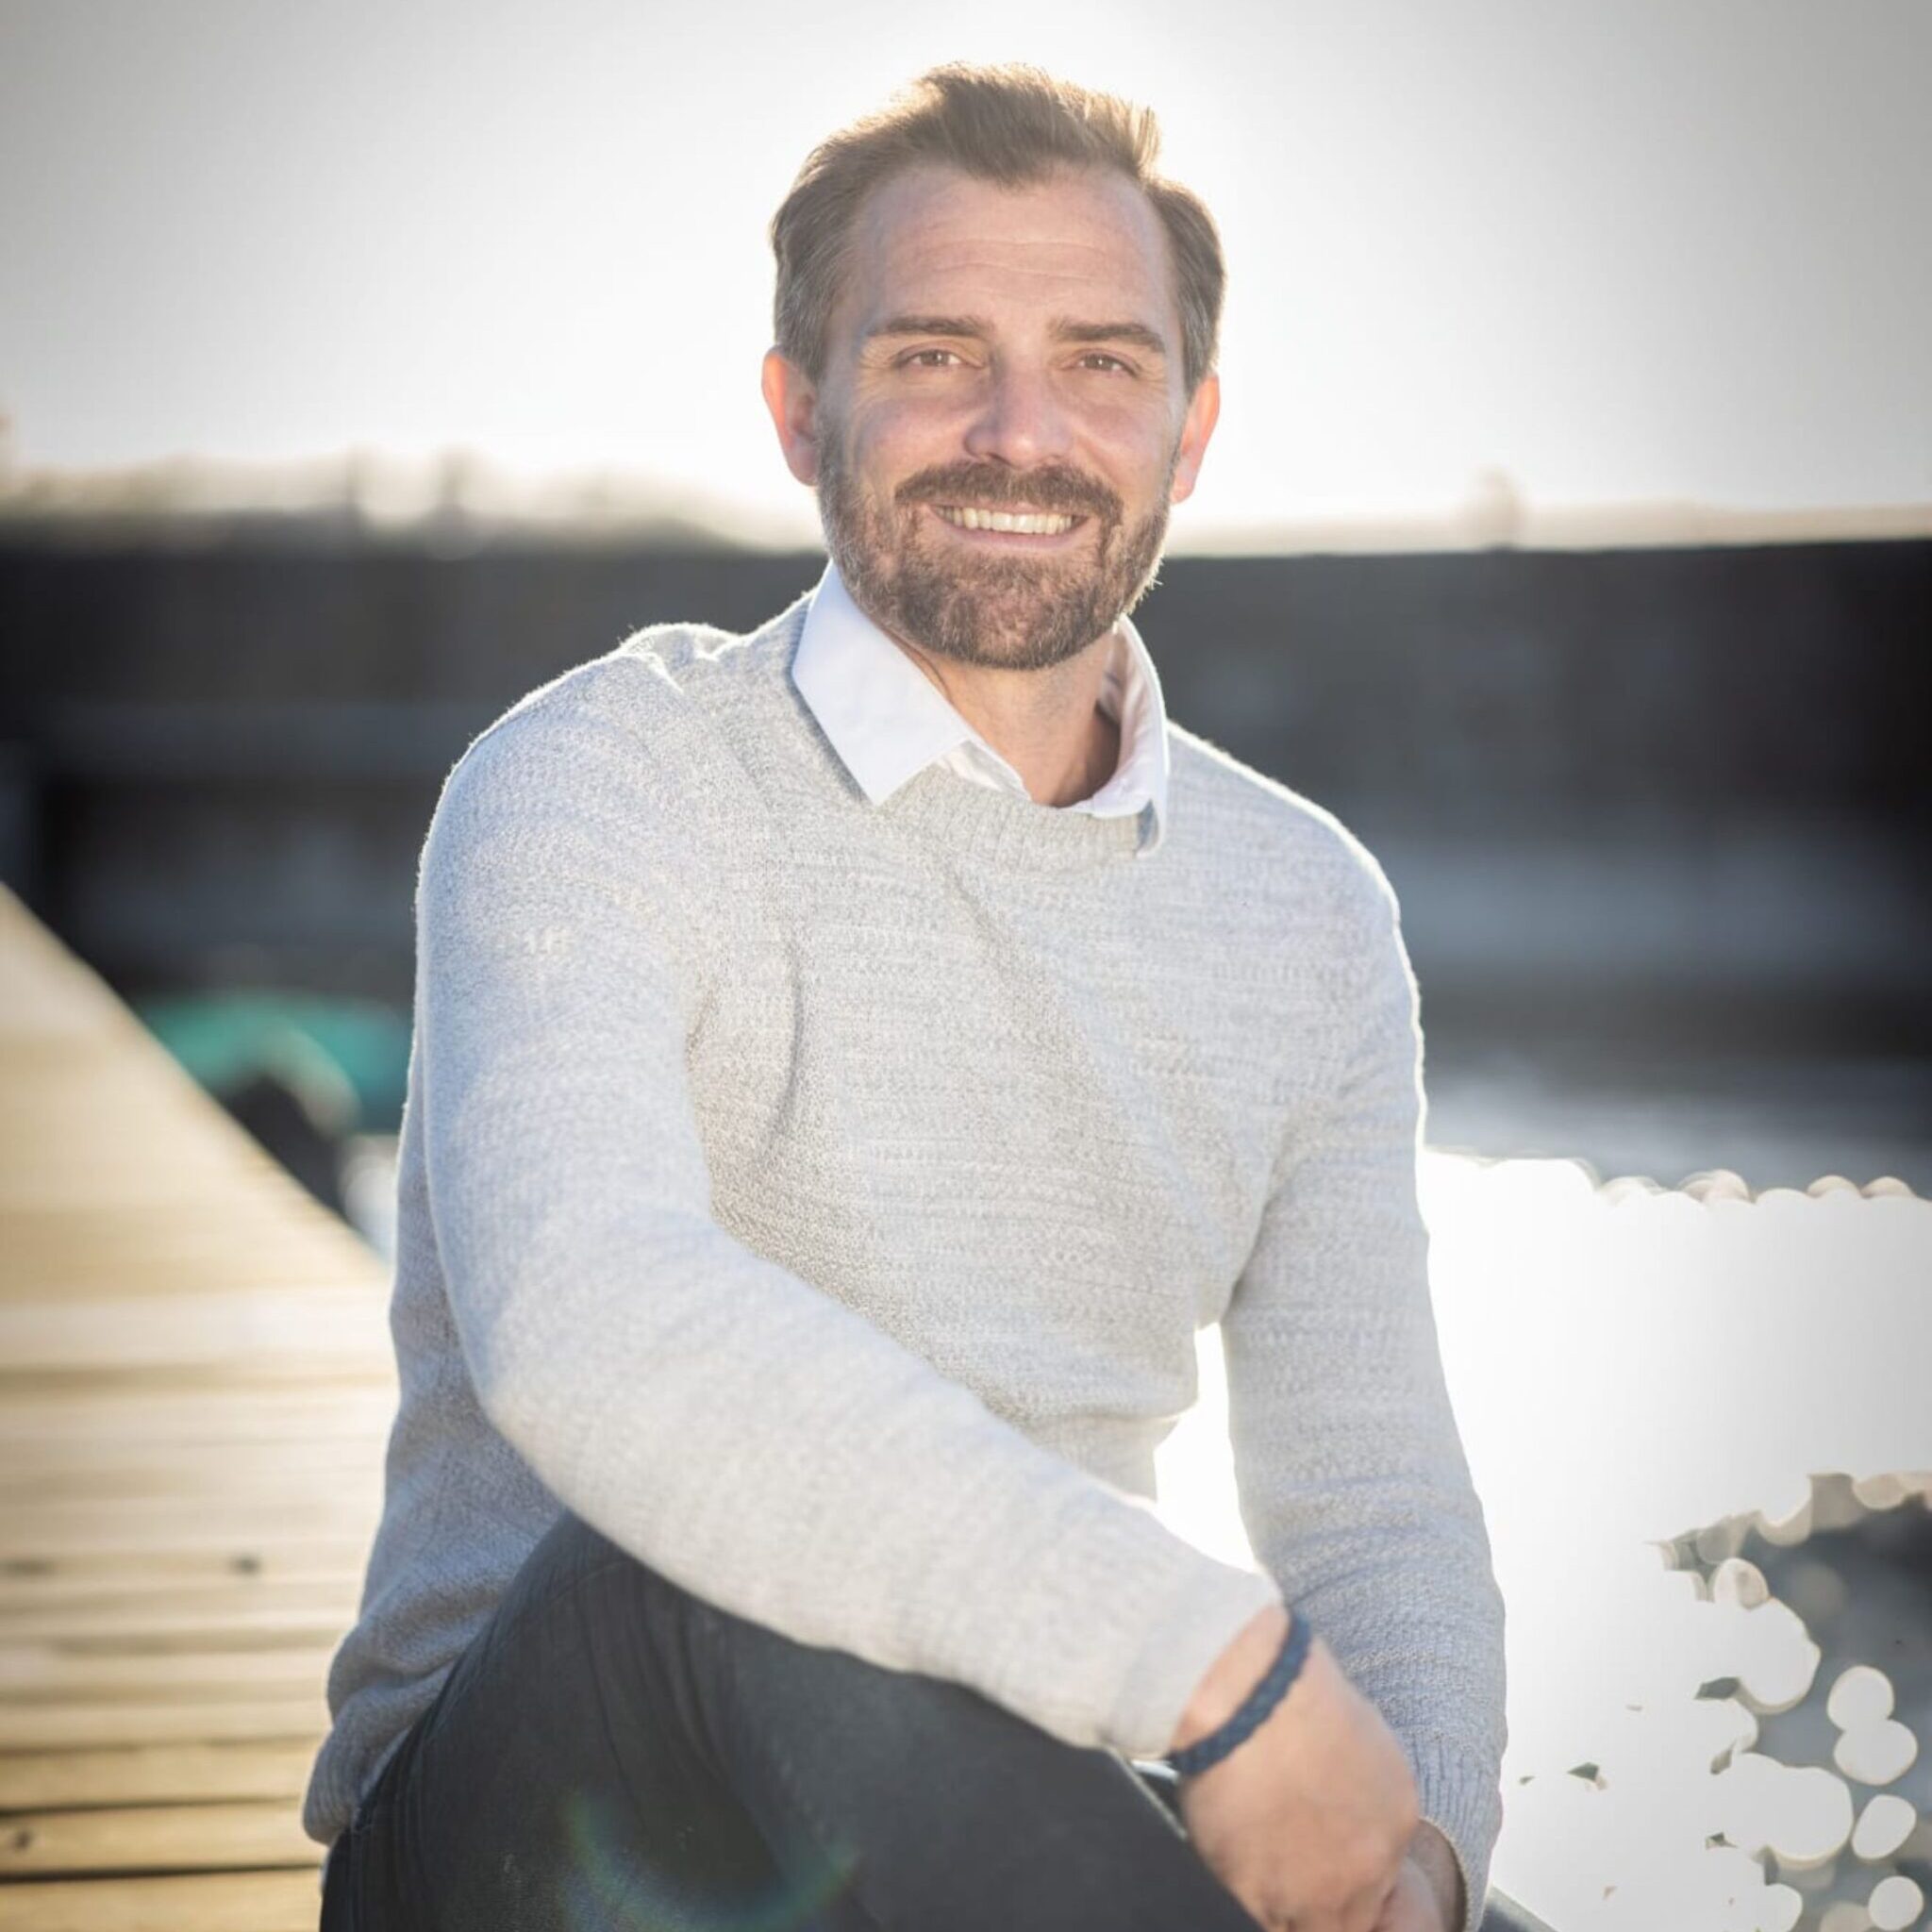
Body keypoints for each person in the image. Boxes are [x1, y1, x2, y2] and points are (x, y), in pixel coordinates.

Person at [308, 62, 1514, 1932]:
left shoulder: (1305, 912)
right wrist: (1218, 1677)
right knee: (707, 1557)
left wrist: (1411, 1857)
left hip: (1007, 1821)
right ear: (802, 410)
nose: (1020, 431)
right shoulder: (603, 780)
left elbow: (1372, 1504)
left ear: (1188, 431)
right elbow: (593, 1322)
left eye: (1103, 362)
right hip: (551, 1840)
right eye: (936, 353)